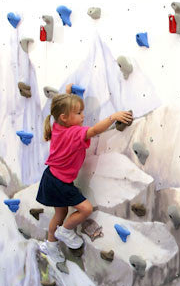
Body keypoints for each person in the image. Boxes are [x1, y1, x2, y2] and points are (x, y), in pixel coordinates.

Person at [37, 85, 133, 263]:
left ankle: (50, 244)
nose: (83, 116)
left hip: (51, 177)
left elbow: (61, 109)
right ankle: (65, 231)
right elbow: (95, 130)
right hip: (59, 182)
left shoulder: (58, 126)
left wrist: (67, 94)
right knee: (85, 208)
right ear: (65, 117)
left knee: (59, 213)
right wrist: (113, 117)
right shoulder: (74, 133)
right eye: (79, 113)